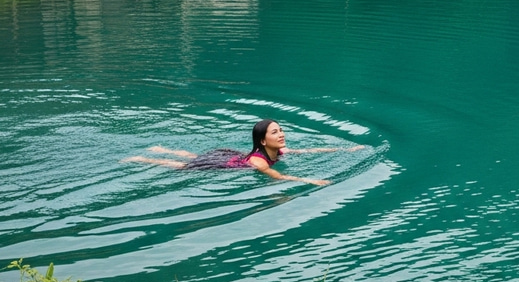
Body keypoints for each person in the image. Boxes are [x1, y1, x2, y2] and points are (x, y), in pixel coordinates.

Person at [123, 119, 364, 186]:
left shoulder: (279, 150)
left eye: (281, 130)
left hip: (232, 155)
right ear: (262, 140)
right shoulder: (260, 163)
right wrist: (309, 180)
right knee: (184, 166)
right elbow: (279, 177)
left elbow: (309, 150)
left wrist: (346, 148)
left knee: (192, 155)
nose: (281, 135)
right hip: (227, 164)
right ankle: (145, 158)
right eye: (275, 132)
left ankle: (161, 148)